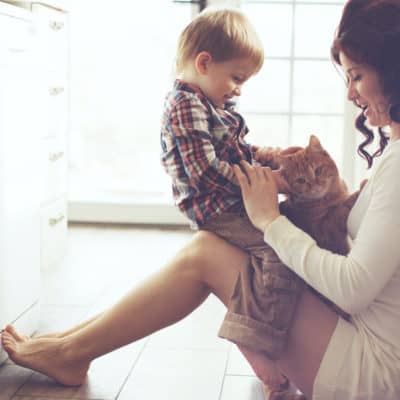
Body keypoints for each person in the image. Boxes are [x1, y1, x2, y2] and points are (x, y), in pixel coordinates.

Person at [2, 0, 400, 398]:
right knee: (207, 249)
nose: (349, 93)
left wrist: (271, 221)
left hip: (371, 370)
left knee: (207, 254)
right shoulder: (391, 155)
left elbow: (353, 288)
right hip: (359, 330)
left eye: (357, 76)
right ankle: (69, 344)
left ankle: (73, 350)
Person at [160, 6, 303, 392]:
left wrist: (271, 158)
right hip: (216, 207)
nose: (238, 88)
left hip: (229, 199)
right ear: (204, 62)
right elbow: (205, 170)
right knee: (278, 251)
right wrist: (263, 183)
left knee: (283, 238)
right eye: (236, 77)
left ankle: (264, 328)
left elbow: (236, 150)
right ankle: (259, 346)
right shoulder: (184, 105)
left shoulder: (211, 103)